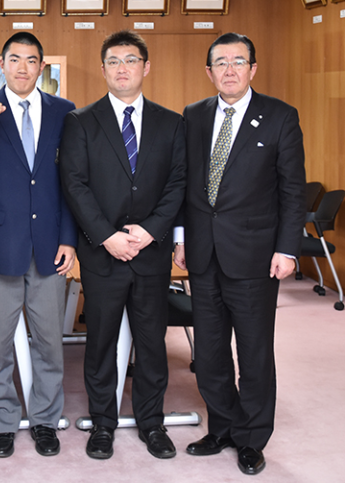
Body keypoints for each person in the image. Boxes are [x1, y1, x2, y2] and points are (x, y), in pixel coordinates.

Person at [174, 32, 306, 476]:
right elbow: (185, 185)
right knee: (209, 353)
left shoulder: (280, 117)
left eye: (238, 62)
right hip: (203, 254)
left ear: (253, 68)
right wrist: (179, 238)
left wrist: (287, 248)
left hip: (255, 255)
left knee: (253, 354)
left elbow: (292, 192)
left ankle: (252, 438)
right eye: (220, 63)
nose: (229, 70)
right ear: (208, 71)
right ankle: (223, 426)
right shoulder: (193, 116)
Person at [60, 30, 185, 461]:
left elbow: (178, 184)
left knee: (152, 343)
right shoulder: (80, 121)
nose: (122, 68)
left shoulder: (172, 123)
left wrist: (148, 231)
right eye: (113, 61)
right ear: (103, 69)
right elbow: (74, 185)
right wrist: (108, 236)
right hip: (102, 254)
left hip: (150, 253)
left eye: (131, 60)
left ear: (146, 67)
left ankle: (152, 424)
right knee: (101, 344)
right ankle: (103, 424)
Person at [0, 32, 77, 459]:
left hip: (49, 246)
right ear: (1, 65)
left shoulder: (64, 111)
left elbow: (70, 183)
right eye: (15, 59)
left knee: (49, 342)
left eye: (31, 60)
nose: (23, 67)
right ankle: (2, 422)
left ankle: (45, 420)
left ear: (41, 67)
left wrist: (69, 238)